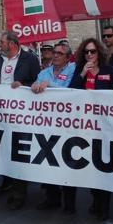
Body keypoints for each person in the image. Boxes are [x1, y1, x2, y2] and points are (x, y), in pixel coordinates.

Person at [0, 31, 40, 210]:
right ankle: (10, 182)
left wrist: (23, 86)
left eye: (2, 42)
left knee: (18, 150)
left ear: (12, 44)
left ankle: (19, 192)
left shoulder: (29, 59)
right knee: (5, 148)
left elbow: (38, 82)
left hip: (21, 114)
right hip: (0, 114)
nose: (0, 45)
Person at [69, 37, 113, 221]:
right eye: (86, 52)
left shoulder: (108, 71)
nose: (90, 54)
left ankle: (104, 205)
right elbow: (71, 92)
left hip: (104, 126)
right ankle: (96, 199)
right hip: (84, 126)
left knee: (103, 164)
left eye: (93, 51)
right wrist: (82, 73)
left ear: (99, 53)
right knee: (91, 165)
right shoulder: (79, 70)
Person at [30, 43, 77, 214]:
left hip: (67, 124)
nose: (55, 55)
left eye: (59, 53)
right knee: (49, 160)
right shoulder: (44, 72)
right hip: (47, 124)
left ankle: (69, 202)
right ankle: (52, 198)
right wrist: (35, 86)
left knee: (67, 161)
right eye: (54, 53)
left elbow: (70, 90)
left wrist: (49, 86)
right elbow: (36, 84)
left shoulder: (73, 69)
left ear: (67, 57)